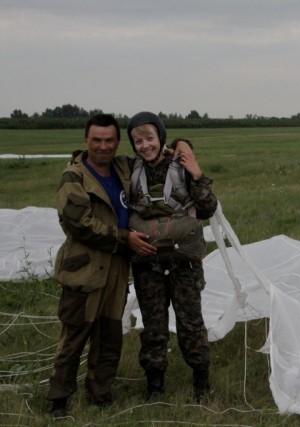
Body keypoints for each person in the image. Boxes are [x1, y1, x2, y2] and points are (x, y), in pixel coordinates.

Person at [46, 114, 192, 419]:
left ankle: (100, 393)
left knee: (110, 334)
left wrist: (180, 145)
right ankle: (59, 398)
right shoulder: (74, 178)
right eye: (97, 140)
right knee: (75, 334)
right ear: (86, 141)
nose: (103, 146)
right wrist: (124, 238)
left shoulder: (123, 167)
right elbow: (80, 225)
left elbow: (154, 151)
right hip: (85, 267)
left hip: (116, 267)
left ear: (116, 142)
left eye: (109, 140)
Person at [126, 112, 217, 403]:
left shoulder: (180, 166)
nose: (144, 145)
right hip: (147, 263)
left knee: (190, 322)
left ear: (161, 137)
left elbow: (207, 209)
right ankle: (154, 386)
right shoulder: (130, 170)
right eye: (137, 140)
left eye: (150, 138)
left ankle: (201, 384)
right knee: (153, 325)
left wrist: (197, 174)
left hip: (183, 263)